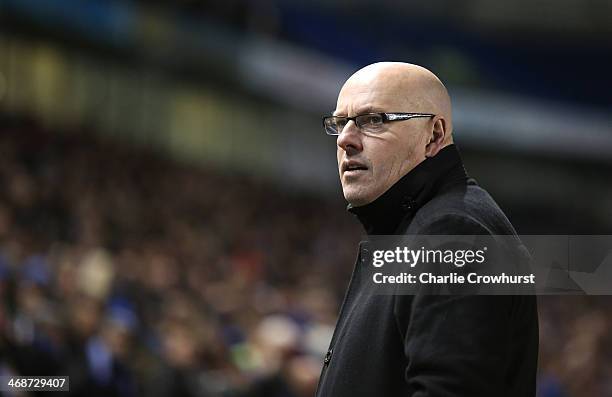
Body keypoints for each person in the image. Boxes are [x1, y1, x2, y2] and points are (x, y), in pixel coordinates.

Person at [315, 62, 538, 397]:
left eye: (373, 120)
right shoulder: (416, 225)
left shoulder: (453, 232)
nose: (346, 139)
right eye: (340, 122)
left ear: (433, 135)